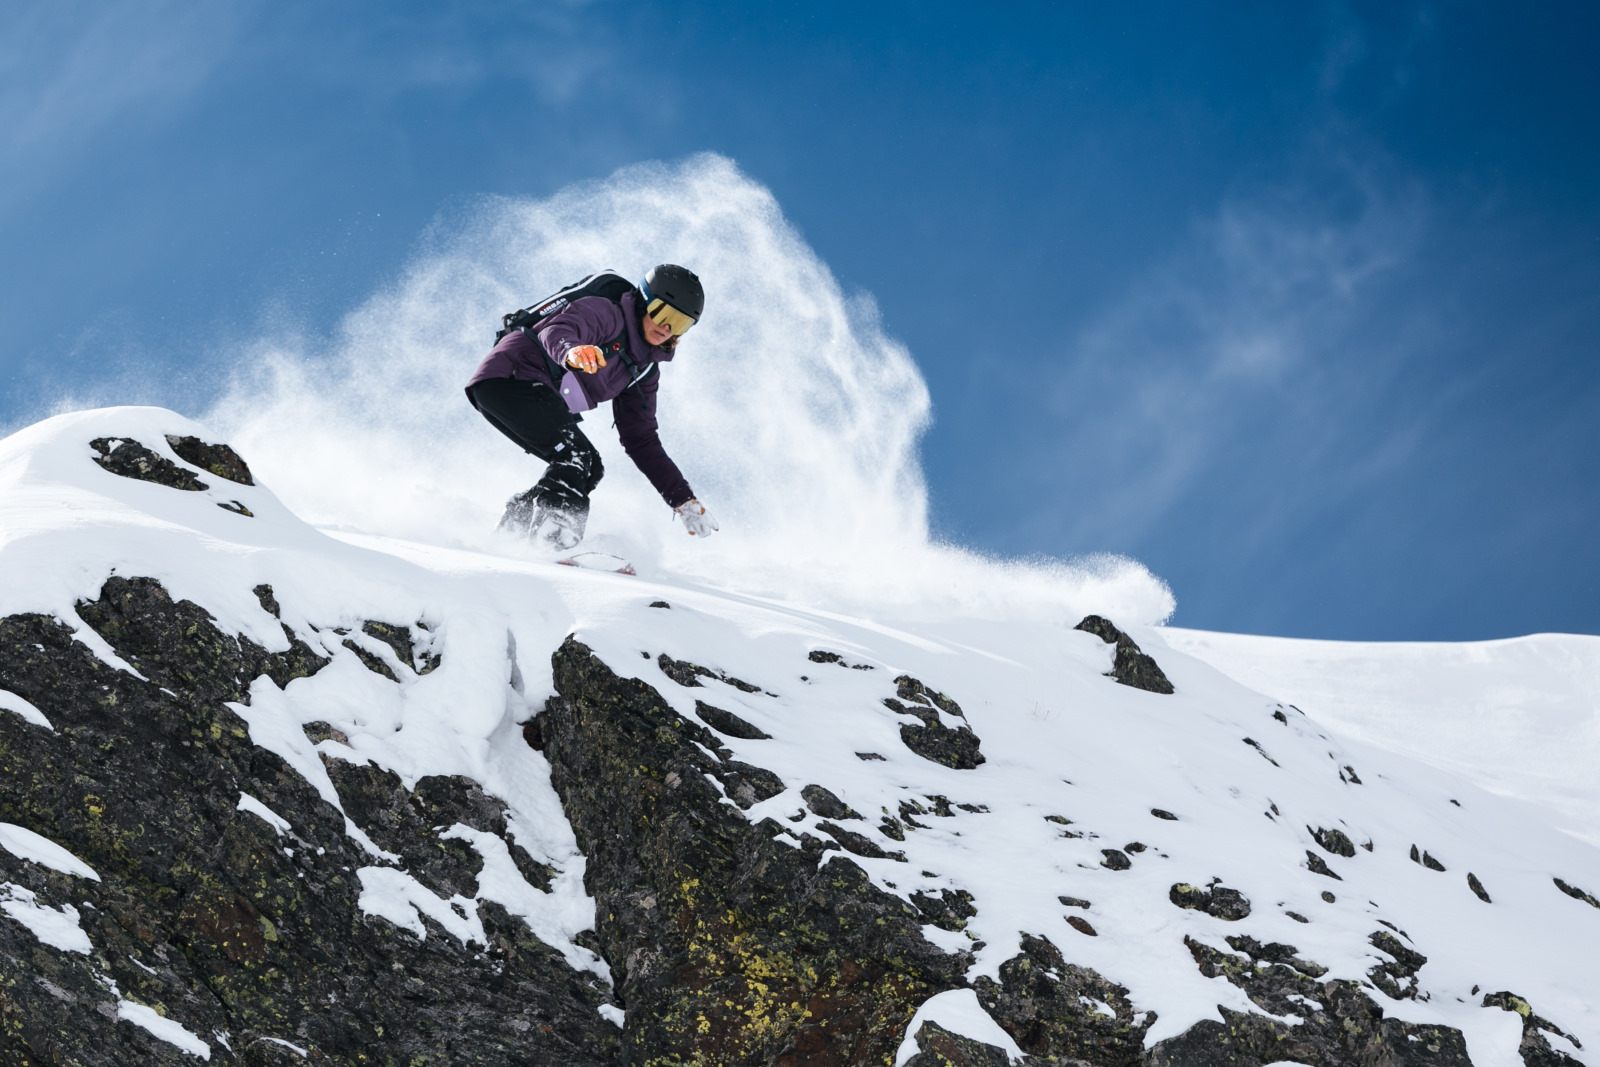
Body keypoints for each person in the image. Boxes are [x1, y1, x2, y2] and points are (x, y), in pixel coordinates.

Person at [464, 264, 717, 550]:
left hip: (530, 392)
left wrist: (681, 499)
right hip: (510, 376)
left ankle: (516, 529)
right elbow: (558, 329)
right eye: (663, 312)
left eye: (680, 322)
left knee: (591, 467)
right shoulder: (608, 314)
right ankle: (552, 540)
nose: (667, 327)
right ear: (645, 300)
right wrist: (571, 350)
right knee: (577, 456)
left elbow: (641, 440)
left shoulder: (644, 371)